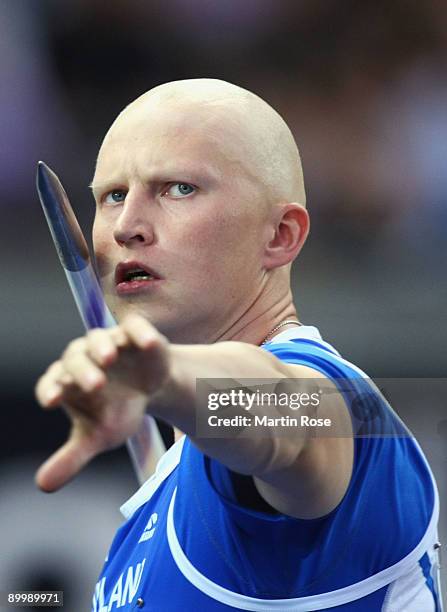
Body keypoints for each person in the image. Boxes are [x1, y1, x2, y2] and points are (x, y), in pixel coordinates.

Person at [35, 79, 442, 611]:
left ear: (280, 235)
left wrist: (163, 379)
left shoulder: (326, 397)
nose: (127, 226)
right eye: (113, 195)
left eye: (178, 188)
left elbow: (288, 417)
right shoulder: (153, 514)